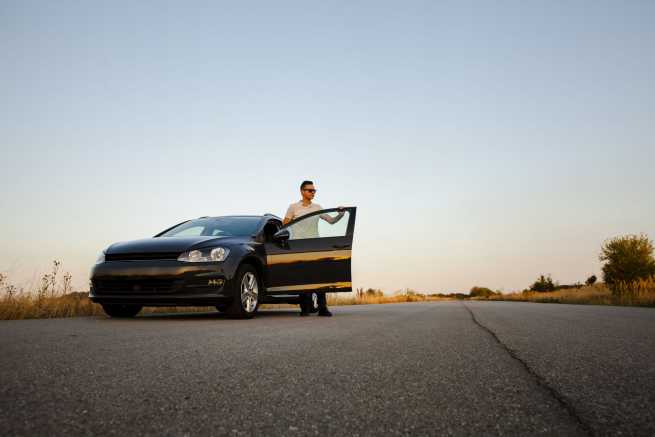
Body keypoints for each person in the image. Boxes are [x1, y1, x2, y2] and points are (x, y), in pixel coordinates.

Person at [283, 180, 345, 317]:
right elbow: (285, 226)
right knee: (302, 278)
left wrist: (340, 213)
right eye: (310, 190)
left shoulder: (317, 207)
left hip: (315, 246)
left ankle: (323, 308)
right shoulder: (293, 207)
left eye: (314, 190)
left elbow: (331, 221)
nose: (313, 193)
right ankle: (305, 308)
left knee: (318, 277)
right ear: (302, 191)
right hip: (298, 246)